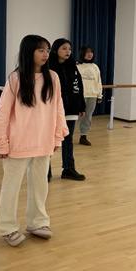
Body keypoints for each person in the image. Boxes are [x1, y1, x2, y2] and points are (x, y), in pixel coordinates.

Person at [0, 35, 68, 247]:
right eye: (40, 50)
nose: (45, 54)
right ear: (29, 52)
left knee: (40, 185)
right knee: (11, 187)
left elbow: (58, 107)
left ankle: (38, 222)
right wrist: (0, 141)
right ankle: (8, 227)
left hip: (44, 141)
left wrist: (57, 135)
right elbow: (2, 112)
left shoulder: (53, 77)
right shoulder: (16, 78)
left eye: (47, 50)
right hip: (18, 143)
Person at [48, 38, 86, 181]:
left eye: (69, 49)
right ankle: (45, 170)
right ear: (55, 50)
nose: (67, 51)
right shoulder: (48, 67)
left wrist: (81, 106)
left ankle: (69, 169)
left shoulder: (73, 67)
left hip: (71, 109)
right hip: (52, 110)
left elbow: (78, 87)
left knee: (68, 140)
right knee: (50, 140)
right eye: (64, 48)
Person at [77, 45, 102, 146]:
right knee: (74, 117)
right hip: (80, 96)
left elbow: (98, 81)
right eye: (87, 52)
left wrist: (99, 95)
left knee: (88, 116)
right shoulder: (77, 66)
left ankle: (83, 136)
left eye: (91, 52)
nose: (89, 54)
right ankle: (66, 137)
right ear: (82, 53)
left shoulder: (95, 67)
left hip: (92, 95)